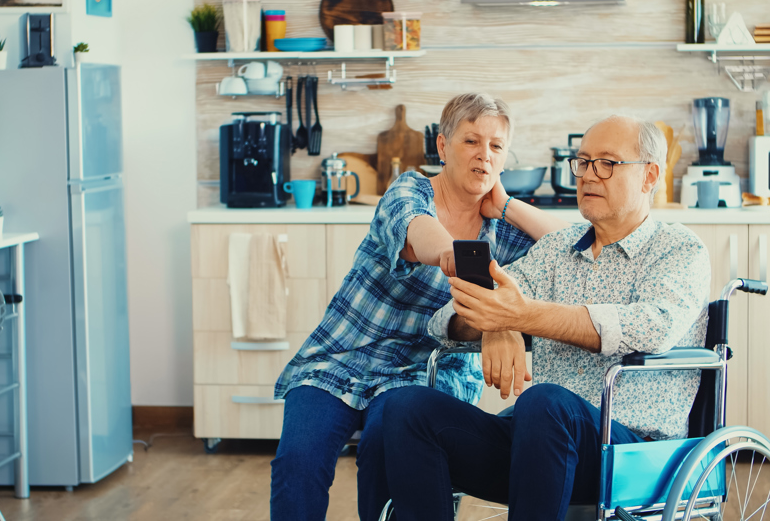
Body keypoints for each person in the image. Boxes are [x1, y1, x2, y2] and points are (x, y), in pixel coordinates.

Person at [383, 115, 712, 521]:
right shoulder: (557, 249)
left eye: (606, 163)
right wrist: (495, 323)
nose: (589, 175)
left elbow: (651, 326)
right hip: (539, 441)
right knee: (404, 407)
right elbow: (448, 319)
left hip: (633, 452)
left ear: (650, 176)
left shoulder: (679, 249)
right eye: (583, 162)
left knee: (543, 402)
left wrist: (522, 315)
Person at [269, 93, 569, 521]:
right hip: (345, 354)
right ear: (443, 147)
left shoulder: (504, 230)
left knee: (383, 454)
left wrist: (505, 204)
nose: (484, 156)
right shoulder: (409, 189)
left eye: (496, 146)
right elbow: (425, 236)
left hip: (428, 368)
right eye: (471, 142)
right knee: (298, 459)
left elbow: (575, 247)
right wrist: (494, 318)